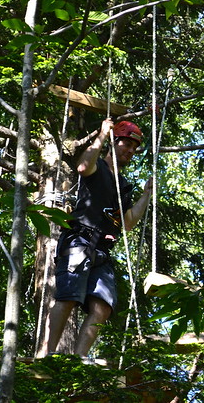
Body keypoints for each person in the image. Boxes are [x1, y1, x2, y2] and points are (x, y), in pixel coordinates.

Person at [44, 118, 152, 358]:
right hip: (80, 241)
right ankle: (47, 354)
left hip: (102, 251)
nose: (131, 151)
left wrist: (146, 195)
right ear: (114, 143)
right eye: (127, 144)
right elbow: (82, 167)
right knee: (68, 297)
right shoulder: (98, 169)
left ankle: (79, 358)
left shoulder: (123, 185)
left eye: (135, 148)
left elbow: (128, 222)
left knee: (103, 308)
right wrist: (102, 134)